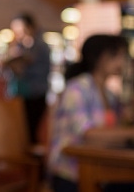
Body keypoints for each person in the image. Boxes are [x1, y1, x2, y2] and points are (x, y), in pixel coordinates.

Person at [48, 34, 131, 192]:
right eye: (118, 55)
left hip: (100, 168)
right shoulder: (77, 89)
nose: (123, 61)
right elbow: (88, 135)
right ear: (100, 57)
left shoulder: (110, 94)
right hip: (71, 173)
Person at [4, 12, 51, 144]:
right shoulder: (18, 47)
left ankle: (33, 162)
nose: (19, 33)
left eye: (21, 30)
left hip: (35, 94)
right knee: (19, 132)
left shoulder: (41, 47)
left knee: (31, 132)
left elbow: (43, 72)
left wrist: (23, 68)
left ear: (30, 28)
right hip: (18, 94)